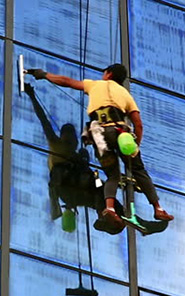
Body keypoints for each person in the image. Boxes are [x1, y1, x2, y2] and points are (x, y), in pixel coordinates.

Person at [26, 64, 174, 228]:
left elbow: (66, 81)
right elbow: (138, 124)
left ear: (108, 74)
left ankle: (110, 210)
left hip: (98, 135)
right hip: (119, 135)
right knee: (138, 171)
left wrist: (44, 74)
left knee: (111, 177)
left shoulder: (95, 84)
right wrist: (135, 148)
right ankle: (157, 208)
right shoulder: (126, 94)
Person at [23, 83, 126, 234]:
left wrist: (103, 180)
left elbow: (94, 179)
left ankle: (115, 215)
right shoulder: (57, 144)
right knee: (62, 171)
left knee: (100, 187)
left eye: (73, 139)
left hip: (81, 192)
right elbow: (43, 119)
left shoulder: (77, 157)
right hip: (66, 189)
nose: (71, 142)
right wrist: (32, 96)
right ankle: (105, 213)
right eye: (68, 138)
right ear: (63, 137)